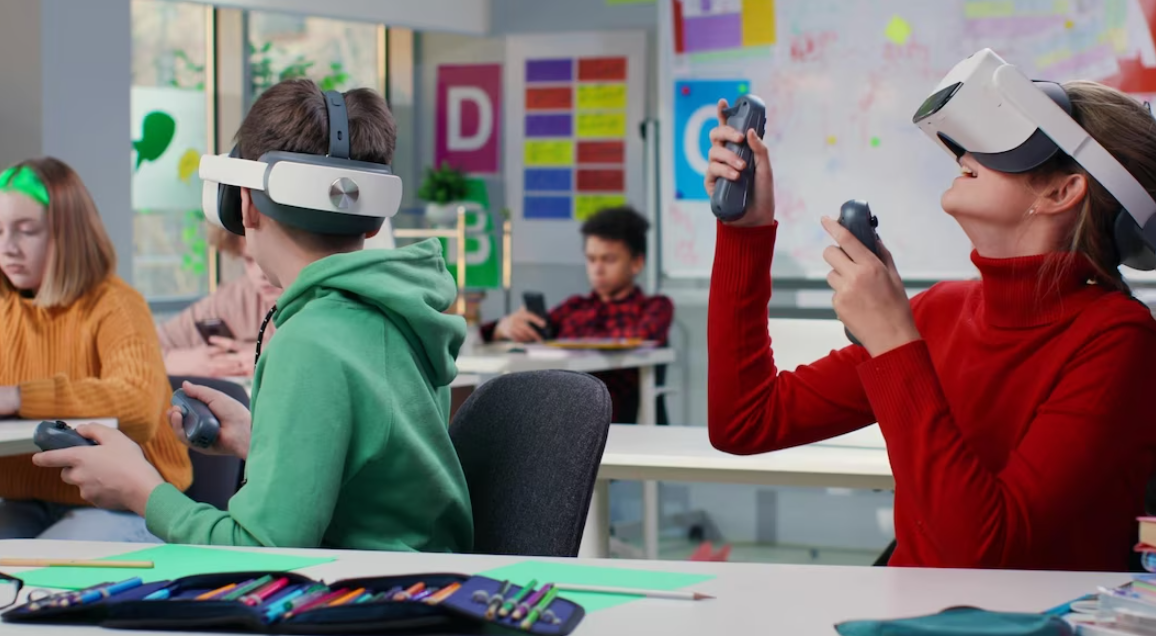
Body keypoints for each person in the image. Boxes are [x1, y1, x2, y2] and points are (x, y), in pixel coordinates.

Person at [704, 77, 1156, 572]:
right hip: (909, 614)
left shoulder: (1119, 342)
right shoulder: (943, 309)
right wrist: (744, 233)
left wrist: (894, 341)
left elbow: (985, 552)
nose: (965, 155)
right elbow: (745, 421)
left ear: (1063, 191)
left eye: (1004, 146)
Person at [33, 79, 474, 552]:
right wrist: (260, 439)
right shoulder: (395, 312)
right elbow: (383, 471)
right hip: (420, 587)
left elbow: (260, 547)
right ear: (372, 217)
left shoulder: (311, 340)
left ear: (241, 203)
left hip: (358, 600)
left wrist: (141, 489)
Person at [0, 157, 191, 541]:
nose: (8, 247)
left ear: (67, 234)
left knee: (41, 581)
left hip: (123, 505)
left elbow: (137, 407)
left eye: (26, 230)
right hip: (21, 501)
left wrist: (21, 396)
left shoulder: (116, 304)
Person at [482, 206, 674, 423]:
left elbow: (634, 339)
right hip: (565, 420)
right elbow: (497, 334)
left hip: (622, 423)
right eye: (591, 259)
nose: (597, 269)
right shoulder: (574, 307)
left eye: (609, 259)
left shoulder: (654, 307)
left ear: (637, 262)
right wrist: (504, 328)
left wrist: (563, 345)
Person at [157, 227, 280, 378]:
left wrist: (272, 360)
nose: (260, 273)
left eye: (268, 258)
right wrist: (195, 363)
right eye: (249, 260)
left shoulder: (315, 301)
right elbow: (145, 348)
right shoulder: (235, 298)